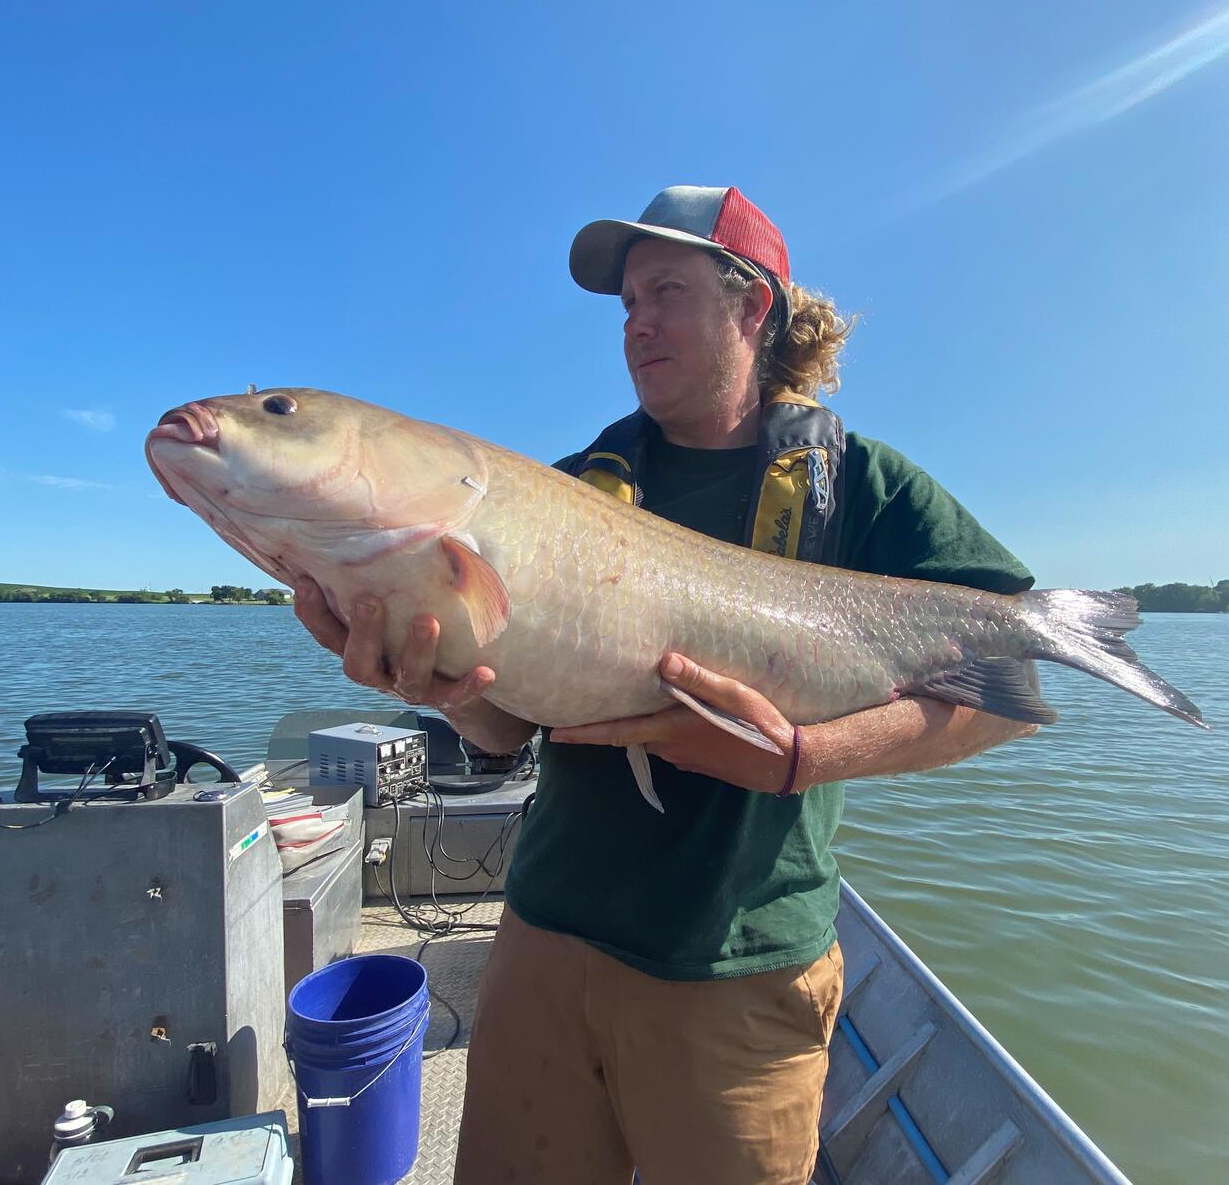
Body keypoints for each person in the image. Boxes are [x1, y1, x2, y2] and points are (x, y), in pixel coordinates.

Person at [293, 185, 1036, 1184]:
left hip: (736, 966)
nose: (636, 321)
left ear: (751, 307)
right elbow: (505, 729)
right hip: (545, 938)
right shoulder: (562, 493)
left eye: (666, 291)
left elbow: (1008, 680)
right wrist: (438, 688)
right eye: (626, 303)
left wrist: (804, 757)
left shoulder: (866, 485)